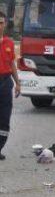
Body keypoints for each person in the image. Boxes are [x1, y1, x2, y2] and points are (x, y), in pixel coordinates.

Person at [0, 12, 21, 160]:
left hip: (6, 82)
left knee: (4, 118)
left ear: (5, 24)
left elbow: (12, 63)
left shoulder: (9, 42)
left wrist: (18, 83)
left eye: (1, 22)